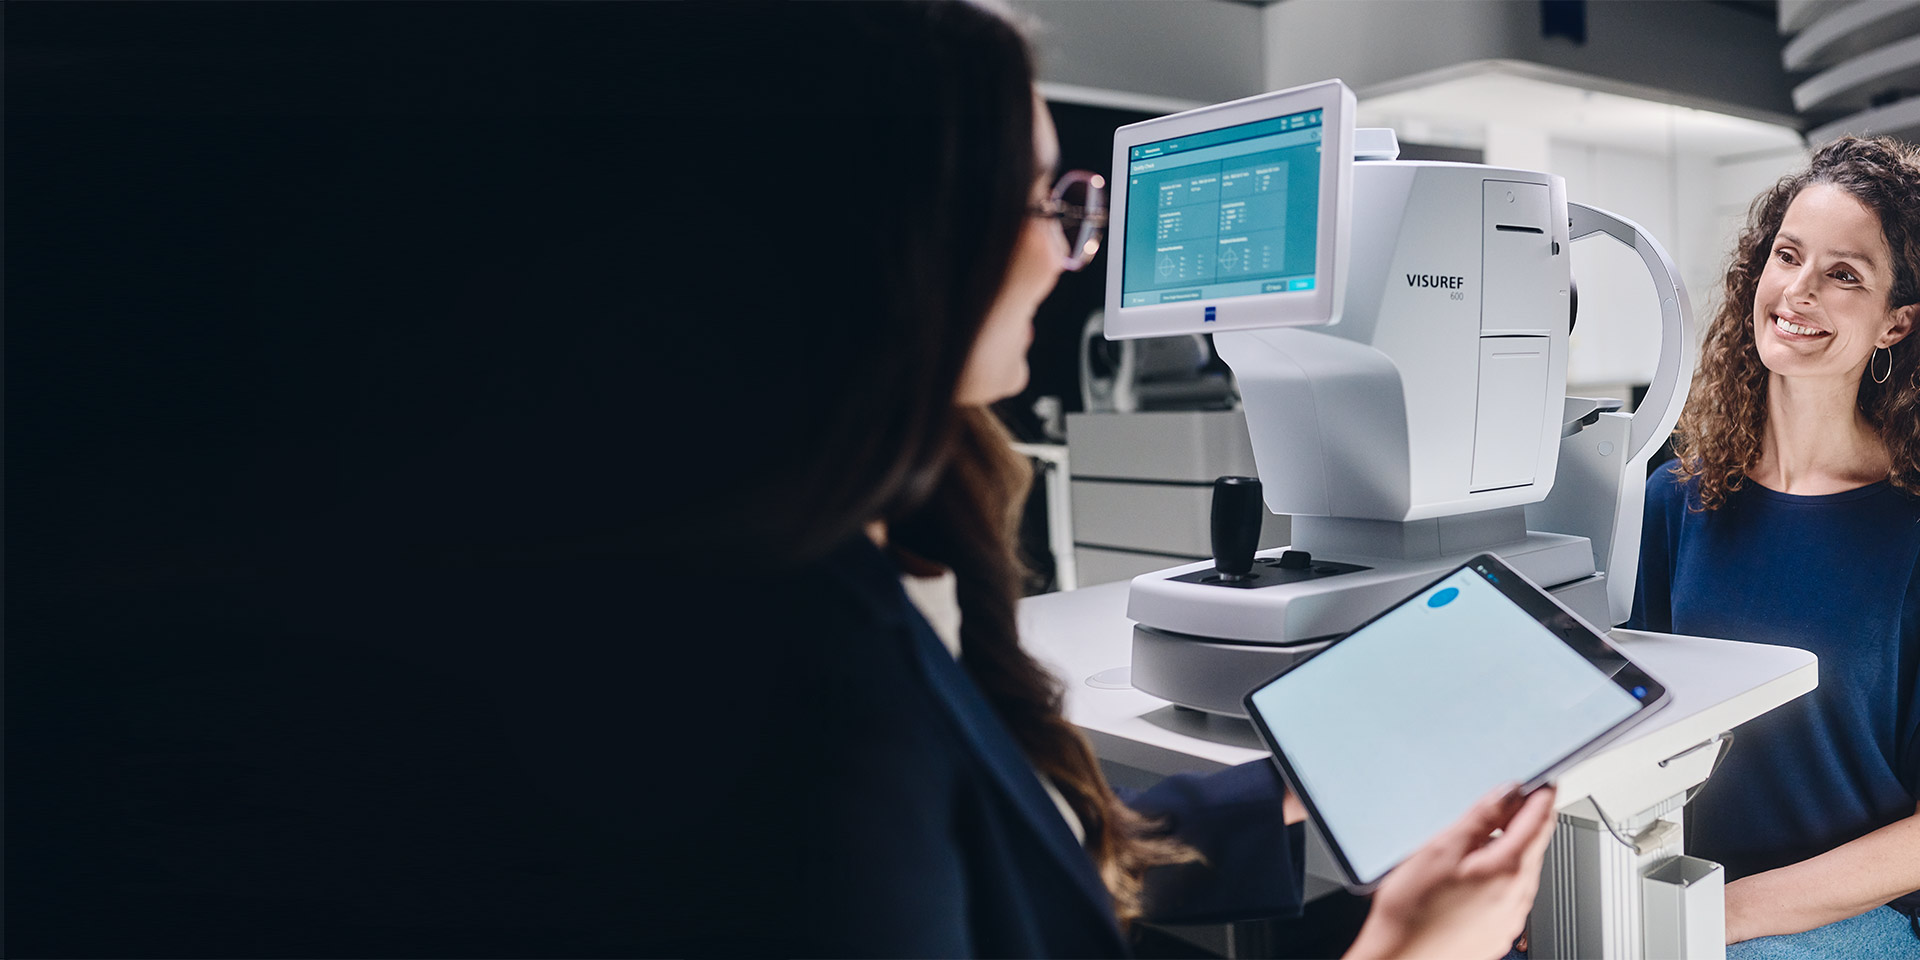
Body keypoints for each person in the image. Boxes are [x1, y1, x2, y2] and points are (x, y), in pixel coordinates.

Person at [11, 2, 1555, 956]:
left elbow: (995, 823)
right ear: (886, 259)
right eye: (1043, 197)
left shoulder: (779, 557)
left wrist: (1278, 794)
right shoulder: (779, 710)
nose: (1069, 242)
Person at [1630, 135, 1920, 958]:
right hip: (1685, 891)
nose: (1797, 291)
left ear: (1897, 320)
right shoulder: (1676, 502)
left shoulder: (1912, 528)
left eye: (1844, 274)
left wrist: (1725, 916)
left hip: (1852, 918)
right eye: (1787, 256)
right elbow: (1646, 730)